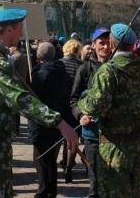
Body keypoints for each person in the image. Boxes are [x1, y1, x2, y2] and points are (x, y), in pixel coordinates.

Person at [0, 9, 79, 198]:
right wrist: (60, 123)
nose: (21, 34)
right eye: (19, 30)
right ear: (9, 30)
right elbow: (20, 99)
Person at [78, 24, 140, 198]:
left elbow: (97, 106)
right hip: (138, 145)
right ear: (132, 46)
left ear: (113, 46)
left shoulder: (108, 70)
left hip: (113, 146)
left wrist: (84, 101)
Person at [70, 27, 111, 198]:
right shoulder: (85, 70)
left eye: (108, 43)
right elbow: (73, 99)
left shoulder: (117, 67)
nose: (105, 47)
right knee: (94, 181)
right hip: (92, 134)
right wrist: (80, 115)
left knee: (113, 180)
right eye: (101, 43)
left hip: (114, 134)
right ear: (93, 45)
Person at [28, 45, 66, 198]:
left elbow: (32, 99)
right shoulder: (59, 72)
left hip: (42, 121)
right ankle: (49, 190)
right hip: (55, 117)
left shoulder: (41, 74)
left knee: (41, 158)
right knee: (50, 159)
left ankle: (43, 190)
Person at [59, 39, 83, 183]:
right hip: (74, 106)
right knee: (73, 138)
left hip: (60, 104)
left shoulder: (59, 64)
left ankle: (54, 165)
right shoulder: (80, 66)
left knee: (58, 135)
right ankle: (69, 166)